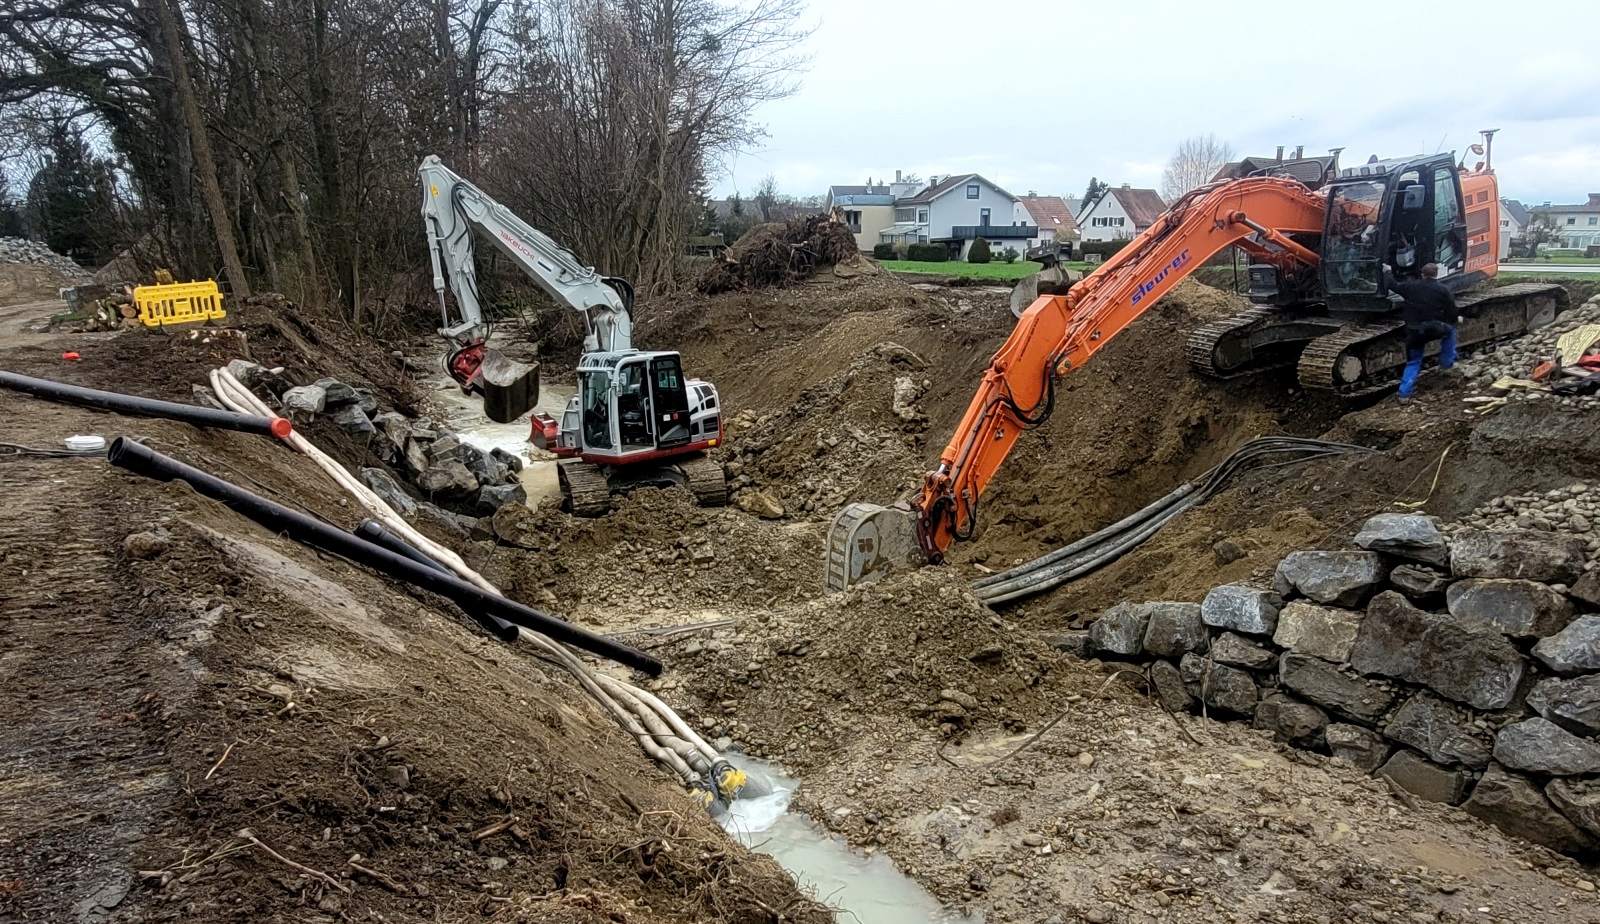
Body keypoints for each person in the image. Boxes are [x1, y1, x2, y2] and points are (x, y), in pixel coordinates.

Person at [1382, 262, 1458, 403]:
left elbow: (1393, 285)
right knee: (1450, 331)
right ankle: (1447, 364)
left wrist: (1387, 271)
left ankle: (1404, 394)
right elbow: (1452, 311)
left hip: (1415, 332)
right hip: (1435, 329)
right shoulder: (1443, 289)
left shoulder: (1411, 287)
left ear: (1422, 274)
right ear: (1436, 274)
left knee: (1413, 362)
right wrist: (1451, 320)